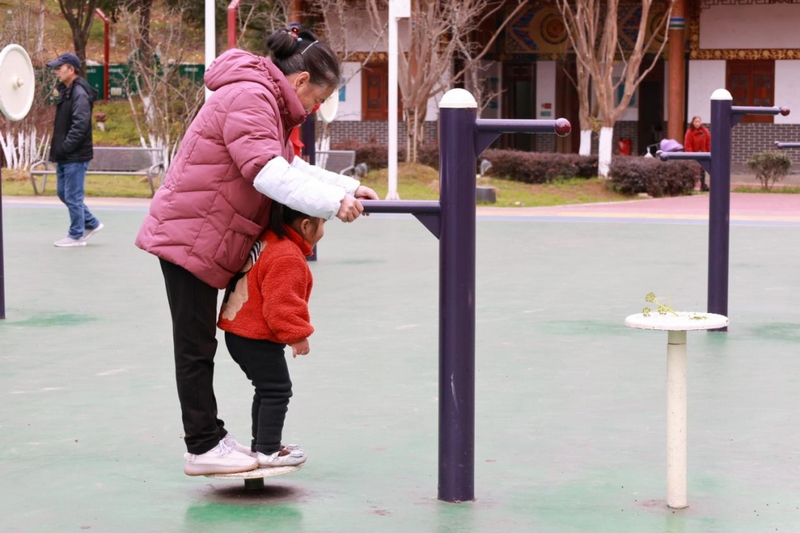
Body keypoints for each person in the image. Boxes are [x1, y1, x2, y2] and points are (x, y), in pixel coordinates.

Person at [135, 28, 378, 476]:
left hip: (204, 230)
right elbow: (267, 172)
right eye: (318, 99)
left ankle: (220, 440)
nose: (315, 109)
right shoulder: (250, 96)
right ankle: (203, 445)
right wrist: (332, 204)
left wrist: (346, 186)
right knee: (194, 346)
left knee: (199, 343)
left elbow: (288, 164)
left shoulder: (262, 99)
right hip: (190, 231)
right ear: (301, 81)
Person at [217, 203, 323, 469]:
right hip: (255, 336)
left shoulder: (268, 239)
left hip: (240, 332)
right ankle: (268, 451)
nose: (323, 231)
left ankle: (262, 444)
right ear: (306, 225)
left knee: (266, 389)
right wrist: (297, 335)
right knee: (277, 390)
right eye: (323, 223)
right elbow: (281, 304)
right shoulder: (287, 256)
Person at [46, 52, 104, 247]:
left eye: (59, 68)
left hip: (75, 155)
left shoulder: (79, 92)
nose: (56, 72)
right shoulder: (67, 90)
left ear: (71, 69)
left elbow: (80, 125)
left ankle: (76, 235)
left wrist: (66, 147)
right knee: (64, 193)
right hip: (66, 154)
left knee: (72, 195)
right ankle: (91, 223)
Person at [684, 115, 711, 191]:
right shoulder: (689, 132)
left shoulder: (705, 131)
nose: (697, 123)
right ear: (693, 122)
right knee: (692, 170)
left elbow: (708, 142)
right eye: (696, 121)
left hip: (703, 153)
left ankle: (703, 185)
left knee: (703, 170)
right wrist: (690, 155)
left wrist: (709, 153)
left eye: (699, 121)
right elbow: (687, 144)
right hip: (693, 154)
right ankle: (690, 185)